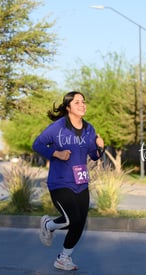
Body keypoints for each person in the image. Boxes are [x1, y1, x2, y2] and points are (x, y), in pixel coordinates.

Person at [32, 91, 104, 271]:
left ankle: (63, 258)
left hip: (81, 182)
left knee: (79, 222)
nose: (82, 105)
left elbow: (93, 156)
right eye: (77, 102)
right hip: (60, 182)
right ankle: (48, 225)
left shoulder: (89, 129)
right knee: (72, 219)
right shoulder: (57, 127)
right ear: (68, 107)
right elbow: (37, 144)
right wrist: (56, 153)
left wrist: (100, 148)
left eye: (83, 102)